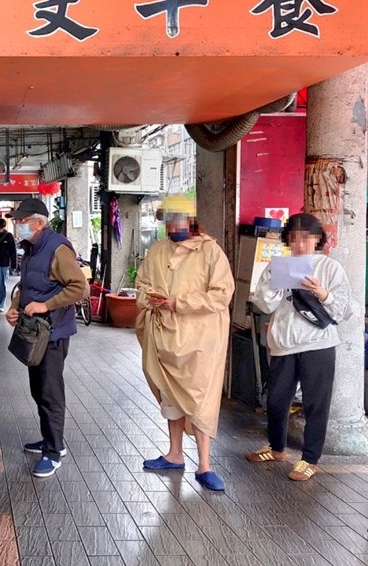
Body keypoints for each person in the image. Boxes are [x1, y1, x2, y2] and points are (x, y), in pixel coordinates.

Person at [136, 196, 234, 492]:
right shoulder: (157, 249)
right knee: (171, 399)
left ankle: (205, 465)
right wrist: (152, 300)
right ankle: (174, 454)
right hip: (163, 335)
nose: (171, 225)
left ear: (191, 220)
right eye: (166, 219)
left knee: (201, 400)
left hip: (200, 340)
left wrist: (179, 302)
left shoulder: (210, 251)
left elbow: (221, 295)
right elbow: (141, 286)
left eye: (176, 218)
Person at [245, 213, 353, 481]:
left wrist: (322, 293)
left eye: (306, 238)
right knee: (277, 399)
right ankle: (276, 447)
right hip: (284, 342)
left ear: (317, 239)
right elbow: (265, 304)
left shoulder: (330, 268)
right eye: (293, 238)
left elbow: (344, 310)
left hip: (319, 344)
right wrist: (274, 285)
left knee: (317, 402)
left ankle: (310, 459)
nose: (299, 244)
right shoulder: (277, 266)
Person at [5, 198, 89, 478]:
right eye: (17, 221)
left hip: (52, 333)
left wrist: (46, 305)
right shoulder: (31, 248)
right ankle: (49, 439)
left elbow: (80, 288)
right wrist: (15, 307)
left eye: (22, 221)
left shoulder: (57, 248)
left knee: (51, 392)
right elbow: (27, 285)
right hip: (35, 332)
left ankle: (53, 453)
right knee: (38, 390)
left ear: (38, 223)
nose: (18, 226)